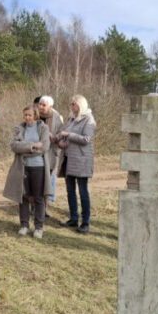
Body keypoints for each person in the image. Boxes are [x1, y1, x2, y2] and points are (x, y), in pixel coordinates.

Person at [3, 105, 52, 239]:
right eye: (25, 115)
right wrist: (32, 146)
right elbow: (14, 146)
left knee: (38, 198)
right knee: (23, 197)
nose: (27, 118)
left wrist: (24, 149)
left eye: (29, 115)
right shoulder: (19, 128)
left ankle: (39, 227)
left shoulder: (43, 128)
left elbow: (45, 147)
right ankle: (24, 225)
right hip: (23, 167)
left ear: (35, 115)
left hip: (39, 167)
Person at [57, 94, 96, 234]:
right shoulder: (71, 119)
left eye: (73, 104)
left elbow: (86, 139)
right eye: (70, 104)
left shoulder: (89, 119)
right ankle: (74, 218)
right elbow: (66, 136)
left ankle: (85, 222)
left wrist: (68, 136)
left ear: (80, 105)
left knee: (83, 191)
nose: (71, 106)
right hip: (68, 159)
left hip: (82, 160)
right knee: (70, 190)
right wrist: (61, 142)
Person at [36, 95, 64, 215]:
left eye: (43, 105)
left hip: (50, 153)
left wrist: (56, 138)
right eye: (40, 104)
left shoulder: (57, 117)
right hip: (35, 153)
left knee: (47, 182)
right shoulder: (35, 115)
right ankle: (34, 206)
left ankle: (44, 208)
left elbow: (60, 134)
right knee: (35, 181)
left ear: (50, 106)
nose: (40, 107)